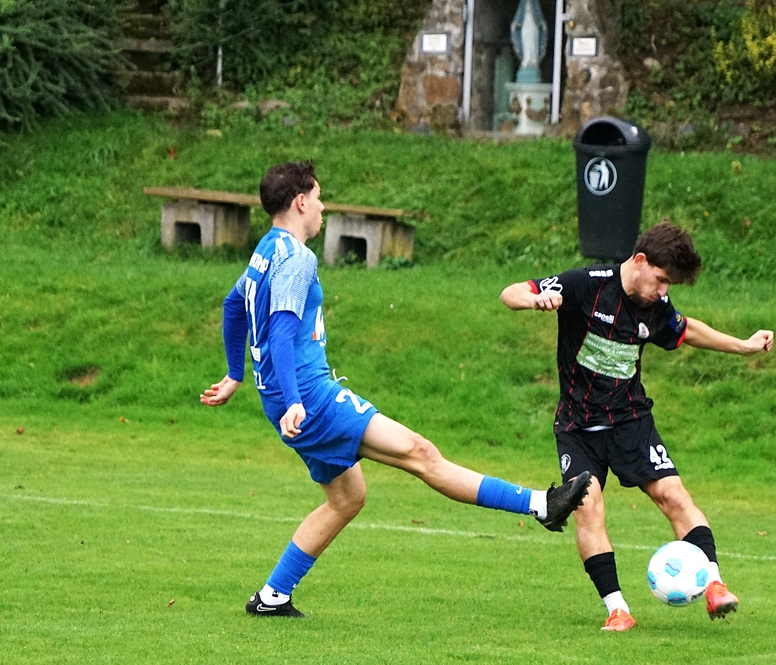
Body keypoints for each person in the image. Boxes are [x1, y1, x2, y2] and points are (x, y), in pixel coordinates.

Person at [201, 161, 591, 618]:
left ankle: (272, 596)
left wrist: (236, 374)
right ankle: (541, 504)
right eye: (319, 198)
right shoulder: (297, 257)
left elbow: (233, 306)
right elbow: (283, 331)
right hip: (309, 398)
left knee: (347, 498)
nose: (324, 207)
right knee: (419, 453)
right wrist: (293, 400)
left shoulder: (265, 250)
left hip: (289, 398)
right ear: (300, 202)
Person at [500, 222, 773, 632]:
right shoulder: (586, 285)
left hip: (630, 421)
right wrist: (534, 300)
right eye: (661, 280)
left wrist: (743, 345)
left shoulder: (656, 306)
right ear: (640, 261)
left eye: (669, 284)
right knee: (587, 506)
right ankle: (617, 610)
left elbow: (687, 329)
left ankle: (715, 585)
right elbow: (512, 292)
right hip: (577, 426)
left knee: (673, 495)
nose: (664, 291)